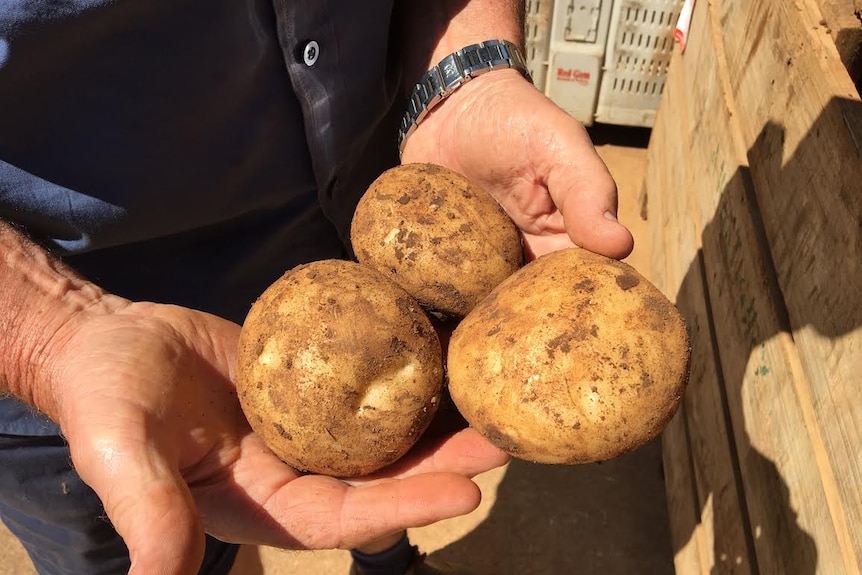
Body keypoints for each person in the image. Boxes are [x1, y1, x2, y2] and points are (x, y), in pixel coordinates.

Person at [0, 1, 634, 574]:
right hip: (79, 329)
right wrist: (46, 332)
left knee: (383, 482)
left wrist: (463, 73)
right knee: (182, 537)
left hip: (373, 198)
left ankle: (386, 562)